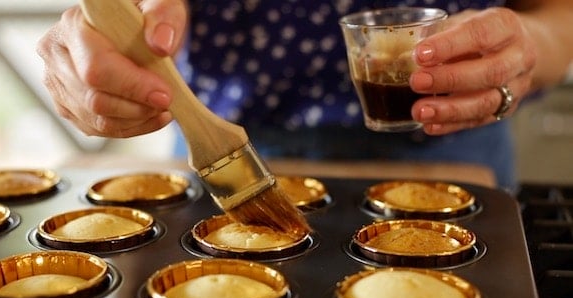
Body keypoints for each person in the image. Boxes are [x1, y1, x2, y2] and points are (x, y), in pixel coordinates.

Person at [37, 0, 573, 192]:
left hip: (452, 152)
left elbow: (558, 14)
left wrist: (533, 44)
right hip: (228, 153)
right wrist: (106, 41)